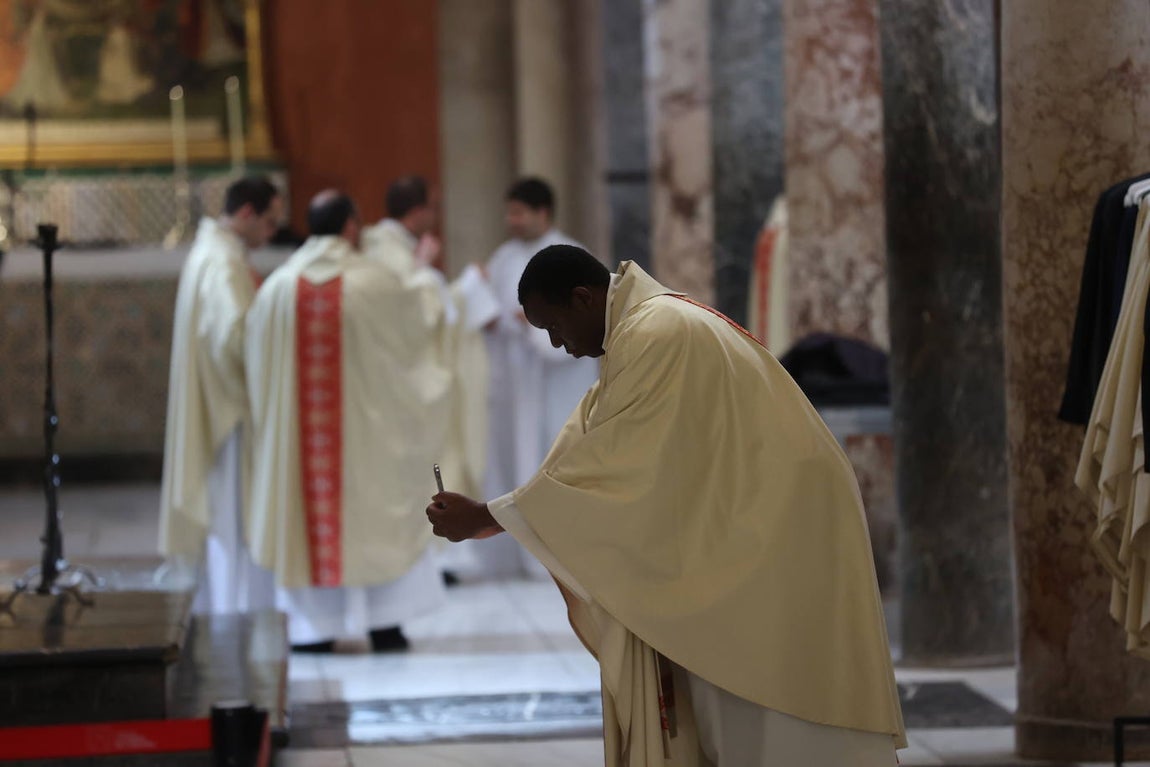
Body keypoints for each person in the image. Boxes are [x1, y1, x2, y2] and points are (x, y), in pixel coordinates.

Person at [427, 246, 906, 765]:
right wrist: (495, 515)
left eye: (553, 326)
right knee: (741, 700)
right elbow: (584, 454)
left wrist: (486, 518)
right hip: (753, 519)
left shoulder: (654, 334)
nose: (556, 343)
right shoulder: (638, 330)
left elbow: (613, 471)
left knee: (778, 700)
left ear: (584, 298)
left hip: (777, 528)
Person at [245, 190, 451, 652]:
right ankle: (386, 622)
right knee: (379, 508)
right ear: (352, 228)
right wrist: (422, 275)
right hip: (368, 437)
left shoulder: (278, 287)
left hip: (302, 446)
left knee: (308, 517)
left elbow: (256, 367)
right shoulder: (375, 282)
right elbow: (417, 332)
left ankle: (315, 629)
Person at [159, 175, 282, 616]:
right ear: (246, 213)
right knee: (232, 519)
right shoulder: (225, 263)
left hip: (219, 404)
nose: (271, 233)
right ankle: (236, 615)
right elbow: (235, 337)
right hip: (229, 412)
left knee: (227, 519)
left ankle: (228, 611)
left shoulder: (213, 252)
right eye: (268, 222)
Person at [362, 177, 500, 568]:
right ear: (418, 211)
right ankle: (427, 556)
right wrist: (428, 271)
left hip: (412, 384)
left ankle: (436, 555)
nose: (435, 216)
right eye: (433, 208)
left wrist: (461, 285)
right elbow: (413, 315)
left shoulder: (395, 249)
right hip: (403, 386)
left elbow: (435, 310)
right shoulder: (387, 252)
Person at [476, 177, 600, 578]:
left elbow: (585, 322)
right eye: (508, 212)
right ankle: (518, 556)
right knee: (519, 460)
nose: (511, 220)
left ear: (542, 212)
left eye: (519, 212)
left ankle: (562, 554)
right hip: (517, 383)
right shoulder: (504, 258)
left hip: (557, 381)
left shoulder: (570, 256)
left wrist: (531, 327)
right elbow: (489, 316)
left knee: (557, 458)